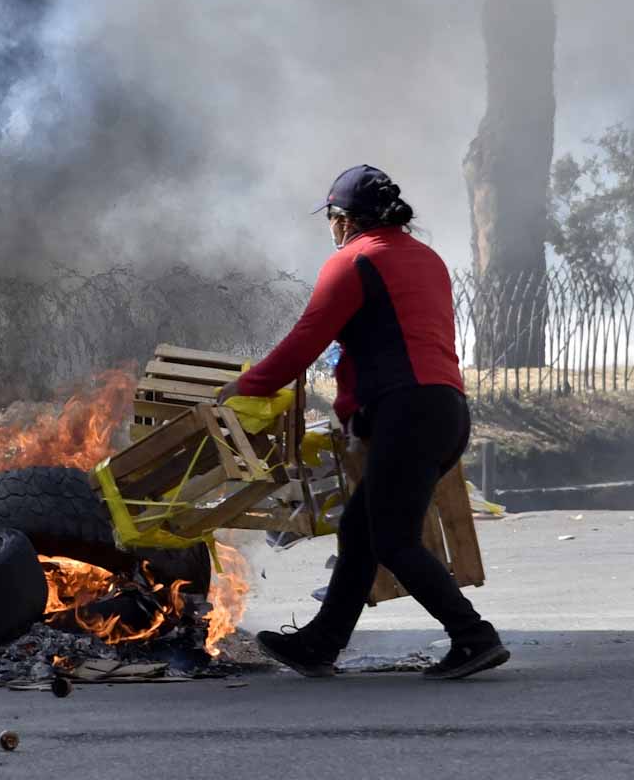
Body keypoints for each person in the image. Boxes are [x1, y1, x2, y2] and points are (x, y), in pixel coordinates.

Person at [215, 165, 508, 681]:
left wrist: (246, 386)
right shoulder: (427, 258)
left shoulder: (353, 261)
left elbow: (303, 343)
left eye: (330, 218)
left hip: (407, 415)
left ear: (343, 218)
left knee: (393, 539)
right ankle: (320, 644)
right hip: (445, 412)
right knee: (361, 529)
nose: (330, 228)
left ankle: (472, 637)